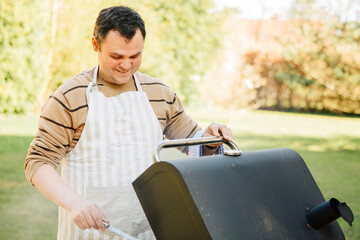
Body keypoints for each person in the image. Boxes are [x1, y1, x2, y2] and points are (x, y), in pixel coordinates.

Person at [25, 5, 232, 240]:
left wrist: (211, 138)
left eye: (135, 56)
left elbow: (193, 144)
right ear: (95, 45)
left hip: (147, 231)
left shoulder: (159, 93)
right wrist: (74, 204)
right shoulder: (69, 97)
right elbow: (38, 162)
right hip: (90, 233)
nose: (126, 65)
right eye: (116, 56)